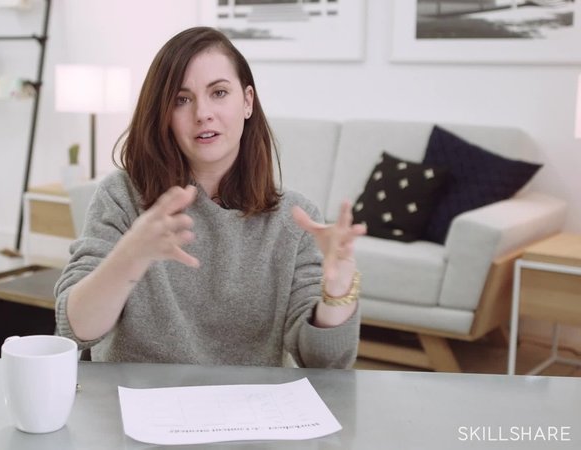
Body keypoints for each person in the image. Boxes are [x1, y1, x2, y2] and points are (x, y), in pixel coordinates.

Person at [54, 27, 365, 368]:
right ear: (164, 115)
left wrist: (337, 292)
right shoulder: (122, 196)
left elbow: (326, 364)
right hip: (136, 406)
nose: (202, 112)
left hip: (246, 410)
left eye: (218, 92)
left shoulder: (294, 217)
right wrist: (131, 255)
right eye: (181, 99)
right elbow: (76, 330)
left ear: (247, 101)